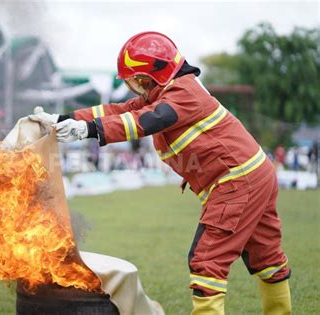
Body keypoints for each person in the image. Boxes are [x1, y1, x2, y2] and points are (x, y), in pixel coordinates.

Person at [29, 32, 291, 314]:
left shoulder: (183, 94)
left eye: (140, 81)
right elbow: (117, 110)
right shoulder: (170, 90)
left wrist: (89, 131)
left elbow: (148, 120)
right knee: (266, 257)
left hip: (237, 181)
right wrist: (62, 120)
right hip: (254, 174)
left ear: (158, 73)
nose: (137, 89)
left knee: (207, 260)